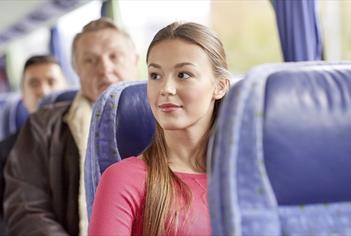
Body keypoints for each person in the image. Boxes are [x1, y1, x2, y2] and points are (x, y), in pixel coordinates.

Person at [89, 22, 230, 236]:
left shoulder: (245, 177)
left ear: (219, 86)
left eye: (183, 75)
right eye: (155, 75)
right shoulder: (123, 179)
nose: (166, 89)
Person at [4, 18, 138, 236]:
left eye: (114, 56)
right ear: (76, 70)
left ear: (135, 60)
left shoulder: (169, 119)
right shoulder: (43, 125)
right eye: (90, 60)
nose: (104, 68)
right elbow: (27, 208)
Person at [0, 55, 66, 235]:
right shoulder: (5, 152)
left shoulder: (89, 138)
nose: (44, 91)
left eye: (51, 81)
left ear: (66, 87)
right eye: (34, 84)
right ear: (23, 94)